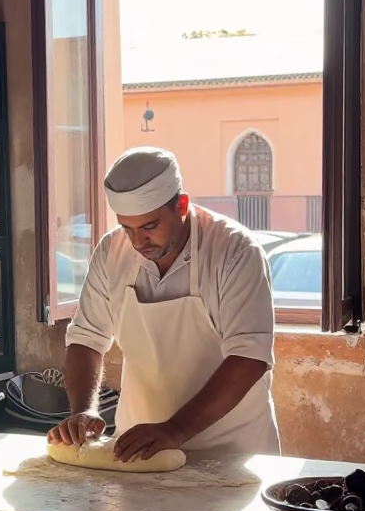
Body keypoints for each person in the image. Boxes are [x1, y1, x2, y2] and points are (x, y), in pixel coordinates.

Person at [48, 147, 280, 461]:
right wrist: (83, 411)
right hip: (140, 449)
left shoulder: (235, 251)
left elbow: (249, 357)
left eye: (149, 227)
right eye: (127, 228)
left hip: (232, 450)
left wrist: (175, 430)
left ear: (181, 205)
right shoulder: (111, 252)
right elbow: (86, 340)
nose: (137, 242)